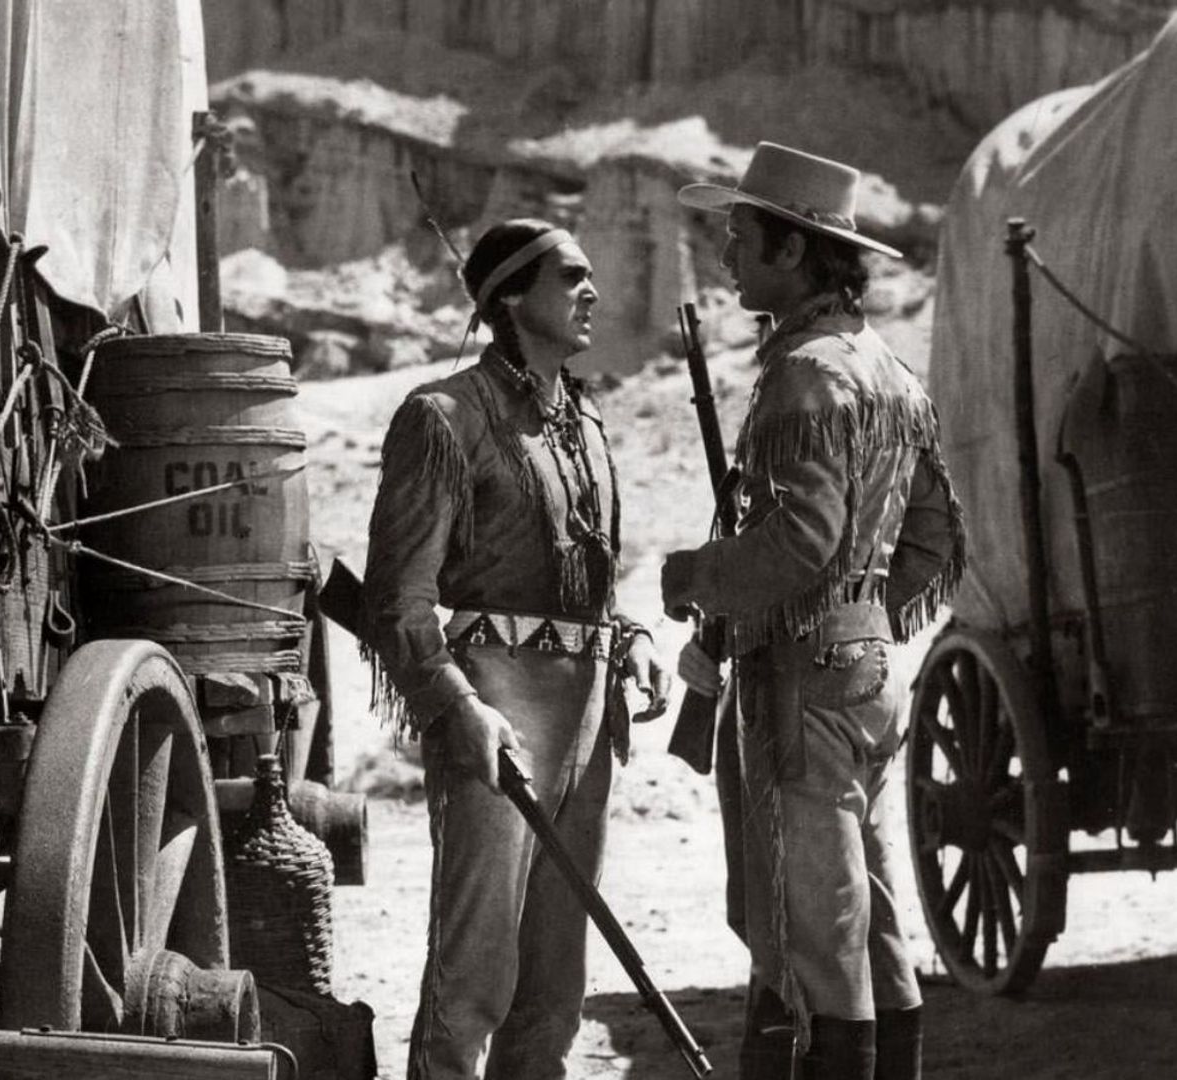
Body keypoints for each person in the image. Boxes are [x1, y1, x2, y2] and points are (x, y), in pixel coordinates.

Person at [662, 143, 965, 1080]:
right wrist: (863, 617)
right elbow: (934, 540)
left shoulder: (804, 375)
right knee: (869, 916)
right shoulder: (890, 372)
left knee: (811, 934)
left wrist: (696, 578)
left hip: (802, 685)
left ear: (793, 253)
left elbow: (800, 541)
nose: (726, 256)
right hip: (868, 677)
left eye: (740, 237)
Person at [359, 219, 670, 1079]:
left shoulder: (588, 421)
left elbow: (599, 579)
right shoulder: (443, 417)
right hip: (496, 712)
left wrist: (633, 636)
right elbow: (399, 600)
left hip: (588, 720)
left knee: (555, 989)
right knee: (473, 983)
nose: (592, 291)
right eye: (569, 275)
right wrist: (459, 709)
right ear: (508, 296)